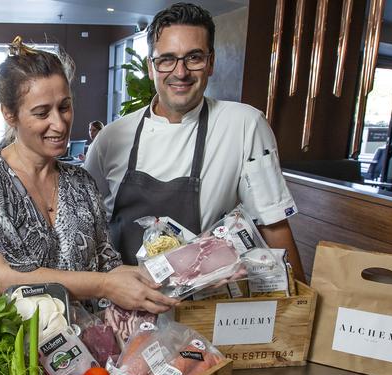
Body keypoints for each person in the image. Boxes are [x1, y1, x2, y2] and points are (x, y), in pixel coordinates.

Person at [0, 37, 176, 314]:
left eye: (64, 107)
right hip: (9, 350)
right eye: (42, 113)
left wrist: (174, 271)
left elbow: (108, 267)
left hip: (89, 350)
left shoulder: (82, 184)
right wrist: (102, 285)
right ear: (9, 114)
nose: (60, 122)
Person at [85, 2, 305, 280]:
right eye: (166, 59)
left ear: (211, 63)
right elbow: (86, 224)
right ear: (151, 67)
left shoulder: (244, 125)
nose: (180, 72)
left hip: (204, 304)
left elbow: (273, 225)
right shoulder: (111, 137)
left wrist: (302, 307)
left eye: (194, 57)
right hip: (125, 307)